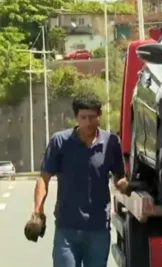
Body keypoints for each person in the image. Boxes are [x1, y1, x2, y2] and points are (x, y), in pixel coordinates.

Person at [24, 93, 129, 267]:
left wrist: (125, 185)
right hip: (67, 228)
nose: (88, 122)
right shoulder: (60, 142)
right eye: (83, 117)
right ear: (76, 117)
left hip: (98, 229)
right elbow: (44, 178)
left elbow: (118, 177)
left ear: (99, 116)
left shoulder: (111, 142)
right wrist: (38, 212)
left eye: (92, 117)